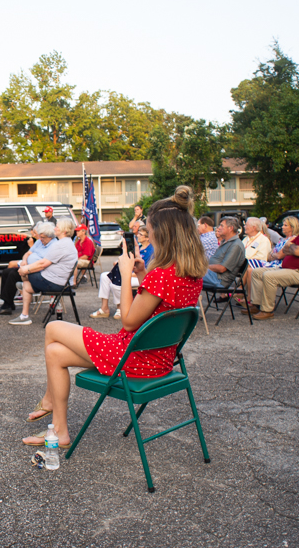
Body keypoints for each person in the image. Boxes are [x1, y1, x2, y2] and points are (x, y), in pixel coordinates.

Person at [21, 186, 207, 449]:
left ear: (164, 234)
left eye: (150, 230)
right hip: (160, 358)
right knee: (55, 353)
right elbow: (159, 306)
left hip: (133, 358)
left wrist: (126, 271)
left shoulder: (163, 274)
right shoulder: (190, 272)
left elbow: (130, 321)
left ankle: (50, 402)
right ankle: (60, 432)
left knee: (53, 327)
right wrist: (142, 276)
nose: (148, 235)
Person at [242, 210, 299, 321]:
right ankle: (256, 304)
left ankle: (267, 310)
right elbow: (288, 245)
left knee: (269, 276)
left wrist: (294, 250)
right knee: (256, 272)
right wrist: (295, 249)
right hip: (289, 269)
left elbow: (294, 251)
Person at [9, 218, 79, 326]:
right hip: (59, 281)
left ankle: (22, 284)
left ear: (64, 231)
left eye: (57, 227)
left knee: (26, 274)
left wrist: (26, 269)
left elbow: (43, 264)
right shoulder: (66, 243)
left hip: (55, 283)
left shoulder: (61, 245)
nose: (55, 228)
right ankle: (24, 316)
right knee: (27, 286)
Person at [91, 219, 152, 319]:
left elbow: (148, 271)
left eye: (140, 234)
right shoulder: (138, 247)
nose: (137, 235)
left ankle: (120, 309)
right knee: (104, 276)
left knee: (116, 282)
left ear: (147, 238)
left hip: (139, 276)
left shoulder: (150, 251)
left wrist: (127, 272)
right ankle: (104, 308)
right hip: (130, 273)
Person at [0, 224, 52, 316]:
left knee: (13, 274)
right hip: (28, 266)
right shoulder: (40, 242)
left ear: (50, 236)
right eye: (40, 236)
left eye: (42, 237)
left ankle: (6, 306)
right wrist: (24, 261)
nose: (40, 239)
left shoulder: (53, 246)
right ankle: (9, 301)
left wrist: (27, 268)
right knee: (6, 272)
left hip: (37, 271)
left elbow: (42, 264)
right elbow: (27, 253)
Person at [203, 217, 245, 289]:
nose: (218, 228)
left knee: (187, 273)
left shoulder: (236, 245)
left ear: (230, 228)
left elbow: (222, 268)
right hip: (212, 275)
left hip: (219, 280)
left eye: (221, 226)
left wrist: (202, 268)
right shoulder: (225, 241)